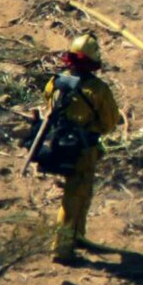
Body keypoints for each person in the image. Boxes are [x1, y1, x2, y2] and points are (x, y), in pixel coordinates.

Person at [43, 33, 121, 265]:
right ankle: (62, 248)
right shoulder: (98, 89)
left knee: (79, 194)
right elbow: (109, 122)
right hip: (82, 151)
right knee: (75, 197)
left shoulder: (55, 81)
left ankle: (77, 237)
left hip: (55, 144)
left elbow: (49, 105)